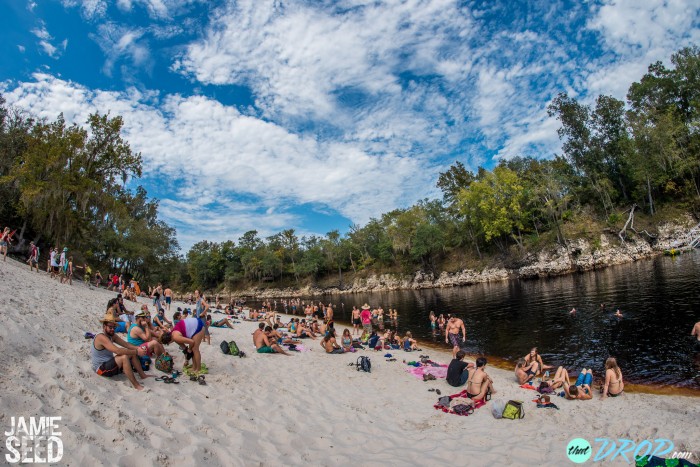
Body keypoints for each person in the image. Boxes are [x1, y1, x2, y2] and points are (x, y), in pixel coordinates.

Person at [91, 313, 151, 390]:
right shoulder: (101, 337)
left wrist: (138, 348)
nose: (112, 329)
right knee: (124, 356)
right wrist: (136, 352)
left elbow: (126, 344)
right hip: (101, 369)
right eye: (110, 327)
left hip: (109, 363)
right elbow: (118, 351)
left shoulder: (112, 335)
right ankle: (137, 386)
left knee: (130, 351)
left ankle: (143, 375)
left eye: (114, 327)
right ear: (104, 326)